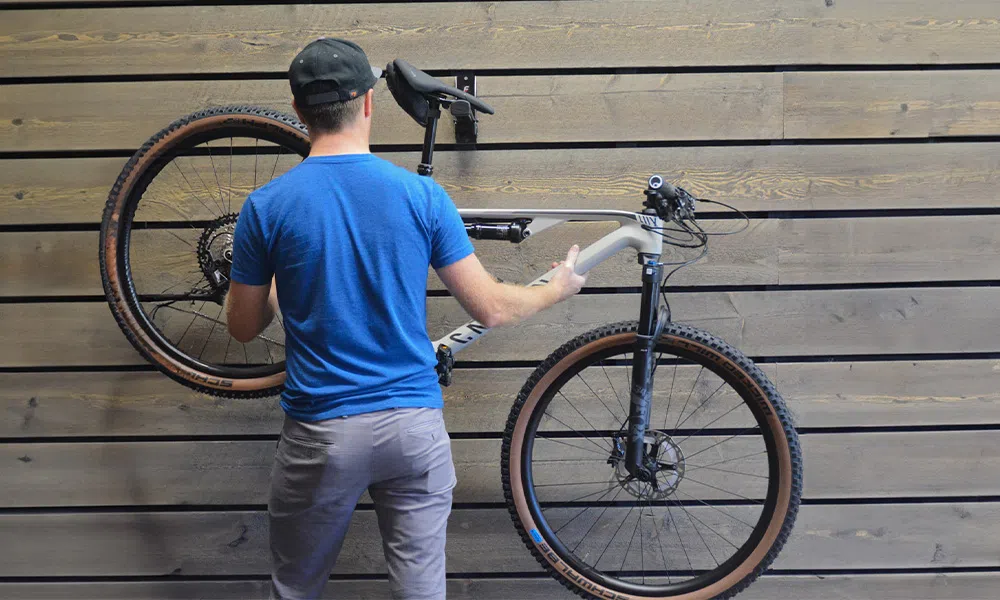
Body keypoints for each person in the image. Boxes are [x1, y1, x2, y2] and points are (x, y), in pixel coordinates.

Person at [224, 38, 586, 600]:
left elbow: (244, 327)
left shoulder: (265, 207)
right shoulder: (422, 196)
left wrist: (273, 271)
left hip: (323, 430)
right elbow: (490, 306)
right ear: (368, 103)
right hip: (412, 425)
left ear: (297, 111)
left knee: (295, 587)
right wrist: (554, 289)